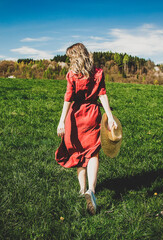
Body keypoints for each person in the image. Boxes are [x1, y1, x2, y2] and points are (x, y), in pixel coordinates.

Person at [55, 43, 117, 215]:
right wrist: (110, 117)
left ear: (75, 57)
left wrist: (61, 122)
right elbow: (102, 94)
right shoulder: (98, 72)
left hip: (75, 117)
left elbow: (68, 98)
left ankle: (82, 190)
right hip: (93, 115)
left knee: (78, 152)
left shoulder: (72, 74)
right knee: (93, 153)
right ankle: (91, 190)